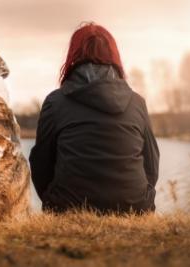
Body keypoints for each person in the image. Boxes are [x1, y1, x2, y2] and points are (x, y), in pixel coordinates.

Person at [29, 22, 160, 214]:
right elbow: (152, 164)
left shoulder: (55, 102)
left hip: (68, 208)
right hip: (134, 208)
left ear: (73, 56)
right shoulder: (137, 102)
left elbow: (41, 164)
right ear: (114, 56)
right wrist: (138, 200)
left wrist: (53, 201)